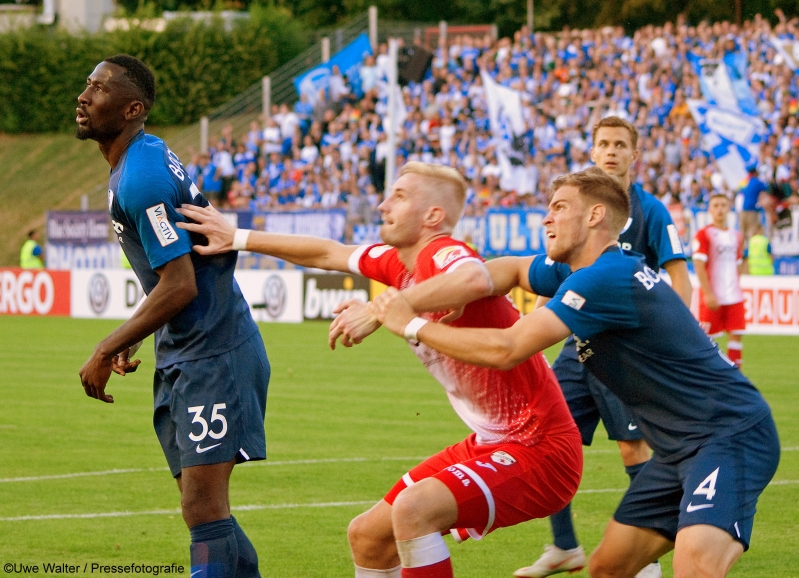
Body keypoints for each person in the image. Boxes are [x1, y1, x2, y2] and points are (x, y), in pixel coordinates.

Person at [176, 162, 583, 578]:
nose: (384, 204)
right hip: (492, 441)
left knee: (414, 510)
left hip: (540, 448)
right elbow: (327, 252)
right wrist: (238, 237)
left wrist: (380, 309)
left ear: (433, 217)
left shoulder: (441, 251)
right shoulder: (395, 263)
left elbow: (474, 277)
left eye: (400, 196)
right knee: (368, 536)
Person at [372, 167, 779, 578]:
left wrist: (412, 324)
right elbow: (508, 270)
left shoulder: (605, 278)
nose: (547, 218)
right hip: (677, 451)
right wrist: (444, 291)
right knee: (606, 568)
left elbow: (507, 348)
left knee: (695, 568)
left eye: (560, 208)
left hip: (730, 435)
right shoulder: (580, 270)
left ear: (595, 216)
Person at [76, 55, 269, 578]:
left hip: (215, 351)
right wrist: (136, 334)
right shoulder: (138, 160)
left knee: (203, 509)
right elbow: (172, 279)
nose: (84, 96)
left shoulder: (140, 178)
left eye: (99, 88)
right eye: (87, 85)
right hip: (188, 350)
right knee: (205, 510)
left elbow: (181, 284)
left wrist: (105, 345)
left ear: (132, 108)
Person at [515, 116, 693, 578]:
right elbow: (552, 272)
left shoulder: (651, 212)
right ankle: (564, 547)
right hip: (575, 345)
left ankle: (646, 562)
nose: (610, 151)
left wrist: (676, 334)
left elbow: (679, 278)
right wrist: (533, 327)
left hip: (624, 351)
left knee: (633, 450)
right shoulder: (576, 208)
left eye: (619, 145)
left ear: (635, 155)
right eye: (602, 144)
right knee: (545, 440)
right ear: (592, 153)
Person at [693, 193, 746, 367]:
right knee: (707, 340)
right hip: (712, 296)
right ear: (710, 210)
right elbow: (698, 264)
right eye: (715, 206)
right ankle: (708, 377)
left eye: (723, 205)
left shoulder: (737, 236)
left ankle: (735, 379)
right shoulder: (704, 234)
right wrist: (708, 293)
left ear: (729, 208)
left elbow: (738, 263)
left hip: (733, 296)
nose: (720, 209)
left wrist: (736, 284)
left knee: (736, 336)